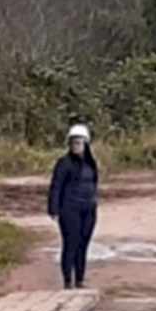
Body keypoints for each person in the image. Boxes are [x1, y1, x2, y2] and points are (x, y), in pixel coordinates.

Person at [48, 124, 99, 289]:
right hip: (70, 209)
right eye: (73, 143)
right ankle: (67, 280)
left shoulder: (91, 164)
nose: (75, 146)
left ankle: (80, 279)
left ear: (85, 144)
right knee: (71, 243)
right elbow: (56, 186)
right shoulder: (64, 163)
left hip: (88, 209)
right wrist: (54, 209)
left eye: (79, 142)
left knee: (83, 245)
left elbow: (94, 184)